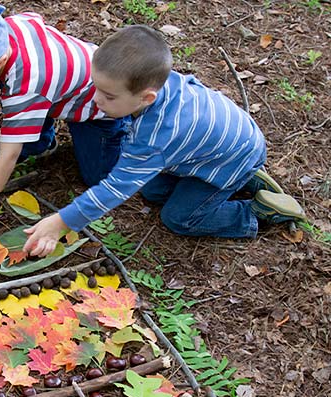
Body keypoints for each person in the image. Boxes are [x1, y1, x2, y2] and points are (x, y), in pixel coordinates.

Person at [23, 25, 306, 257]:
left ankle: (254, 209)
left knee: (179, 218)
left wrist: (60, 221)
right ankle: (245, 178)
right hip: (228, 143)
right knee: (152, 191)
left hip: (232, 158)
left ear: (147, 98)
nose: (97, 99)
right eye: (98, 88)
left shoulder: (154, 138)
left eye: (108, 97)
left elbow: (114, 189)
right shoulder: (160, 80)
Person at [0, 2, 127, 247]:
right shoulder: (4, 31)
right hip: (58, 90)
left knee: (98, 176)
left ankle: (126, 136)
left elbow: (8, 156)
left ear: (0, 60)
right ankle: (42, 140)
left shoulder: (28, 86)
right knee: (28, 113)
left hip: (99, 108)